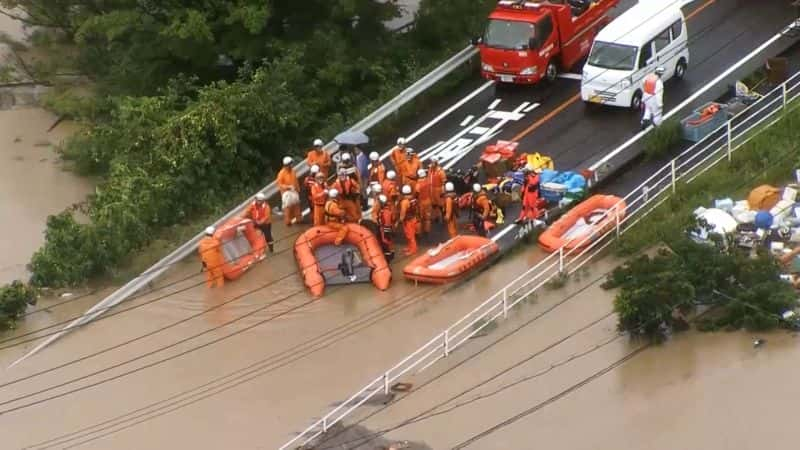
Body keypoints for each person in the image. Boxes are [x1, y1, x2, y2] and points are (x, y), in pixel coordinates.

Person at [277, 156, 302, 226]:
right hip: (286, 194)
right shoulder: (281, 173)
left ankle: (299, 219)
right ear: (287, 164)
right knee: (287, 208)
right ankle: (288, 222)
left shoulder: (293, 171)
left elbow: (295, 181)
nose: (292, 165)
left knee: (297, 205)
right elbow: (279, 184)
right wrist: (288, 187)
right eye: (291, 164)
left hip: (294, 191)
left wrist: (298, 189)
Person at [398, 184, 419, 256]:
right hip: (414, 218)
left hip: (408, 221)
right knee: (409, 235)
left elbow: (403, 212)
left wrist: (400, 220)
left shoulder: (404, 202)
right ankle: (410, 247)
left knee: (410, 236)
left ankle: (413, 249)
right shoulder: (413, 199)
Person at [427, 157, 447, 222]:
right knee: (433, 204)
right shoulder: (430, 170)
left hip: (438, 190)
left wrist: (443, 191)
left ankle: (444, 217)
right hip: (431, 189)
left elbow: (444, 182)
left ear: (435, 163)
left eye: (432, 162)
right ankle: (436, 217)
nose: (431, 164)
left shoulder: (440, 171)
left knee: (441, 204)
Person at [377, 194, 395, 260]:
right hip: (388, 228)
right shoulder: (389, 210)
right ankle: (391, 253)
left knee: (385, 241)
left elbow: (384, 222)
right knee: (389, 241)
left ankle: (388, 256)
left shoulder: (383, 211)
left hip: (385, 228)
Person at [415, 168, 433, 234]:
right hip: (428, 201)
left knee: (419, 218)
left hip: (421, 202)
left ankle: (418, 232)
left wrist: (415, 198)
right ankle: (427, 230)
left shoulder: (418, 184)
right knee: (427, 218)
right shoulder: (428, 181)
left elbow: (417, 193)